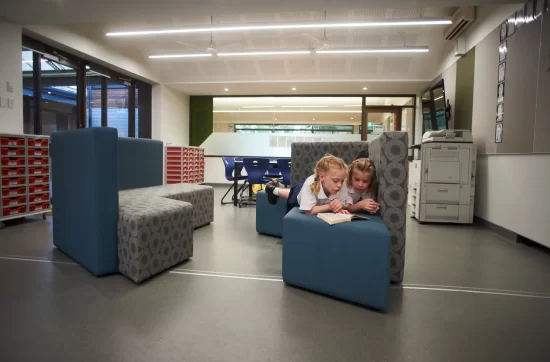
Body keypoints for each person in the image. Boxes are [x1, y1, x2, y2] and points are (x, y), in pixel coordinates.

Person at [265, 154, 352, 215]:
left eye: (342, 181)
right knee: (294, 196)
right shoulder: (310, 184)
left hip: (314, 191)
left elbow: (345, 203)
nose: (340, 185)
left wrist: (340, 206)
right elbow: (308, 211)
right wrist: (330, 206)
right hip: (304, 188)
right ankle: (274, 190)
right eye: (336, 181)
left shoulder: (341, 183)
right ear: (322, 176)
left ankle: (274, 189)